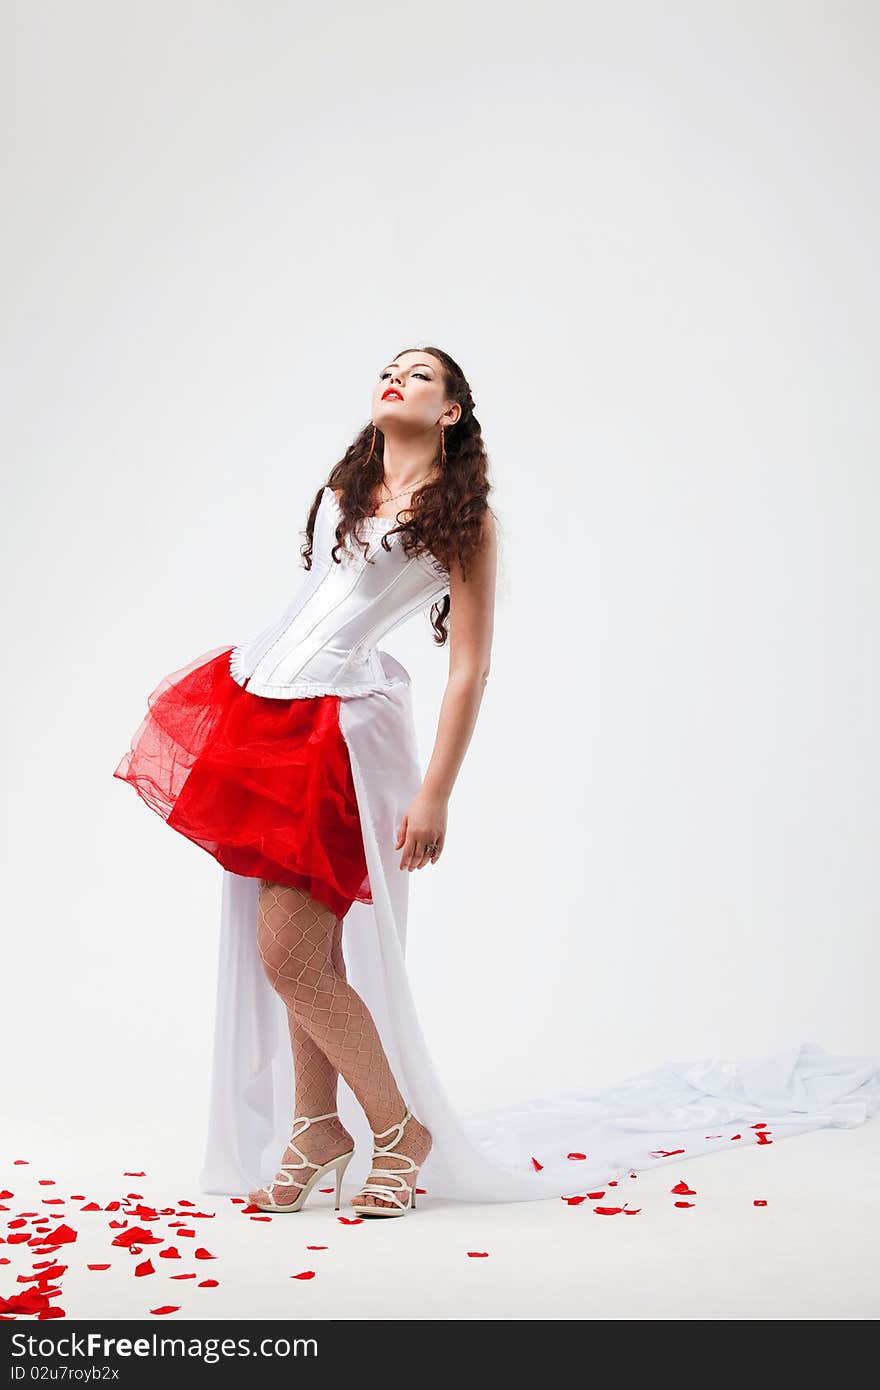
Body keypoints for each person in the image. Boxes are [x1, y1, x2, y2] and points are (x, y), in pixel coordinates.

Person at [114, 345, 498, 1218]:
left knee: (288, 953)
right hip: (266, 707)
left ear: (450, 414)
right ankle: (314, 1123)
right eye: (389, 369)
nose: (395, 378)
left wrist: (436, 791)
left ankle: (399, 1130)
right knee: (304, 953)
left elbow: (470, 669)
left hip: (341, 732)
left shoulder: (462, 517)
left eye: (422, 376)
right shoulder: (347, 488)